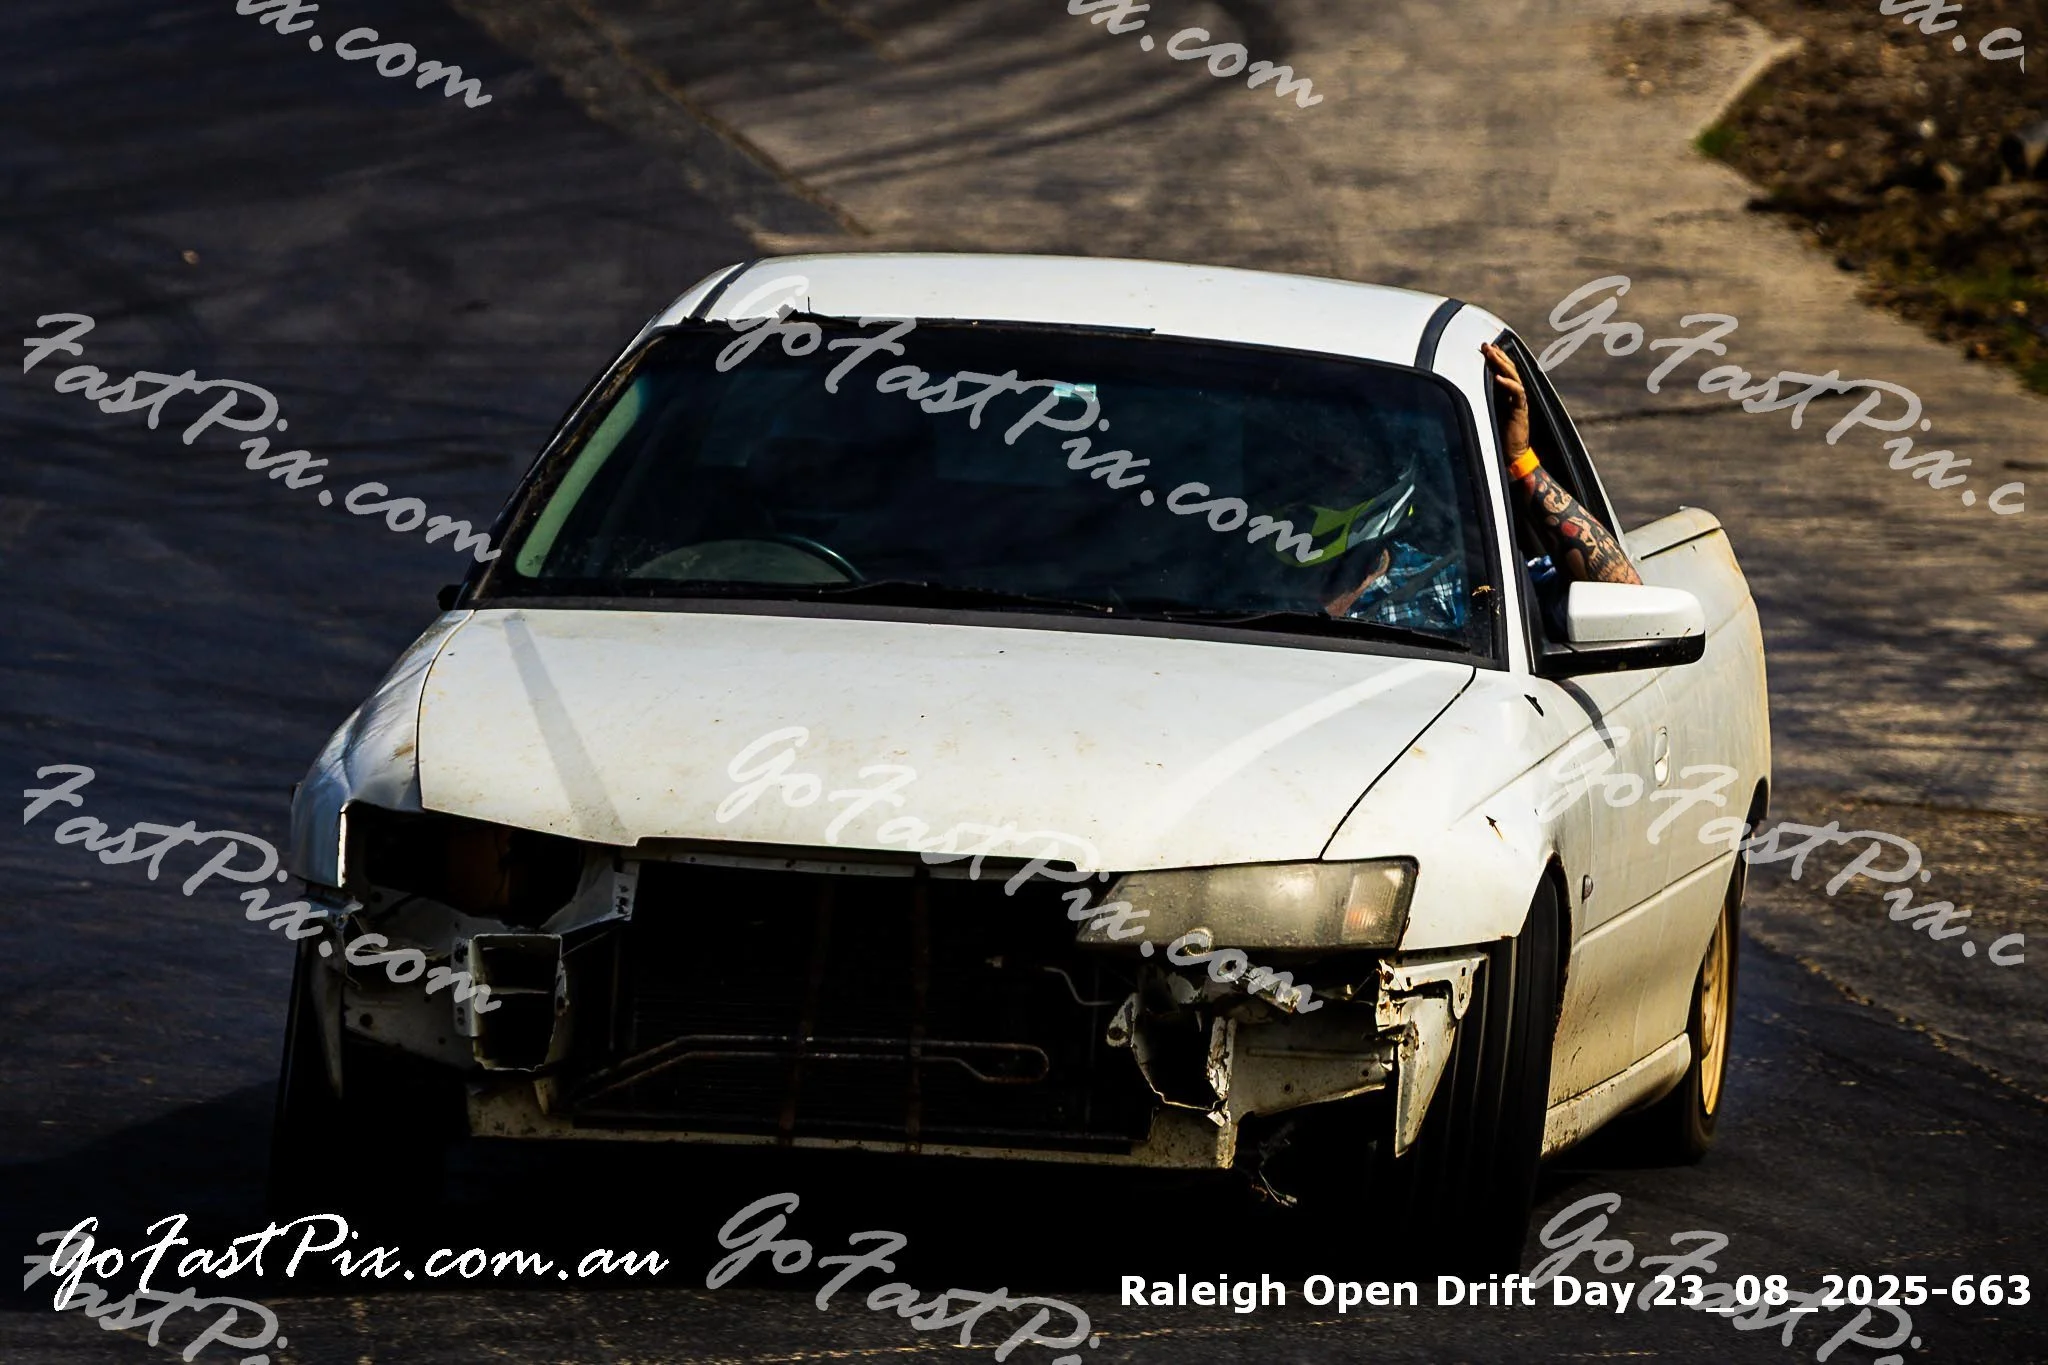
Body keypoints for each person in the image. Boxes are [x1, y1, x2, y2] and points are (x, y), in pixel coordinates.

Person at [1318, 339, 1639, 627]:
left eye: (1346, 472)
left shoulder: (1460, 589)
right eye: (1318, 468)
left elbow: (1625, 604)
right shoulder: (1267, 572)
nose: (1328, 491)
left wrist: (1520, 461)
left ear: (1391, 475)